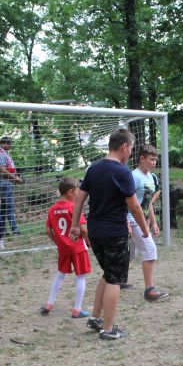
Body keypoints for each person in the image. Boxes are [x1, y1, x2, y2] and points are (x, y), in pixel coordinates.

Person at [70, 127, 149, 341]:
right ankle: (108, 329)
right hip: (114, 232)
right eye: (131, 148)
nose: (131, 153)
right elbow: (135, 207)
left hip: (95, 232)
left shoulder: (93, 169)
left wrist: (75, 225)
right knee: (115, 279)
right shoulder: (122, 172)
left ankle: (95, 318)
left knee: (108, 274)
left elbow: (79, 199)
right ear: (124, 147)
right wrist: (145, 229)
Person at [42, 177, 91, 318]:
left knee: (60, 275)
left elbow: (48, 231)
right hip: (77, 247)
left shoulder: (52, 209)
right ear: (70, 192)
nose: (78, 195)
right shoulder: (74, 207)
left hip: (63, 249)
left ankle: (49, 303)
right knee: (81, 277)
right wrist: (88, 240)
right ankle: (77, 309)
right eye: (77, 192)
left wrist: (58, 242)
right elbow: (83, 229)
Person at [128, 144, 169, 302]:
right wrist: (126, 221)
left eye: (155, 160)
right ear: (141, 158)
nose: (154, 163)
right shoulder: (134, 176)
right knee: (150, 250)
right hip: (132, 220)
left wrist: (153, 222)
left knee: (129, 254)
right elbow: (125, 200)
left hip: (142, 220)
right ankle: (149, 290)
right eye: (151, 159)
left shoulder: (151, 177)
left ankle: (118, 281)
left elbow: (148, 202)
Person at [0, 137, 22, 236]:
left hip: (7, 184)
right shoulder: (1, 154)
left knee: (4, 208)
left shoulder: (5, 154)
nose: (10, 145)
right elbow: (2, 171)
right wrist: (15, 178)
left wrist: (16, 177)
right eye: (9, 143)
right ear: (4, 144)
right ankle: (15, 230)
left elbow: (9, 169)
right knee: (9, 207)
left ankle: (1, 230)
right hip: (4, 184)